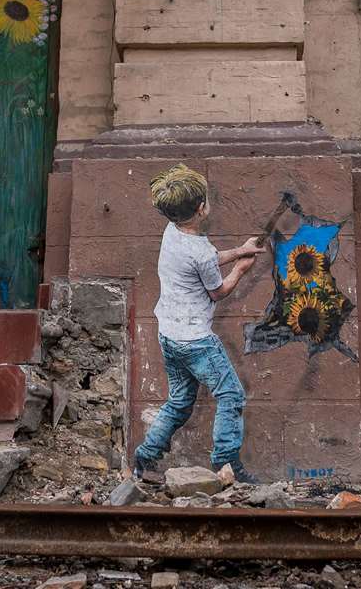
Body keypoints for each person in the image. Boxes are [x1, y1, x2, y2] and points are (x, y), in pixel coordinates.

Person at [132, 164, 266, 483]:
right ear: (201, 208)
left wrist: (239, 252)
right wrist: (241, 269)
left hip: (169, 335)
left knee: (179, 401)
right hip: (195, 341)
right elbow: (217, 291)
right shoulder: (200, 252)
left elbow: (205, 259)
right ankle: (227, 462)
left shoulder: (173, 231)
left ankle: (144, 458)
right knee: (231, 393)